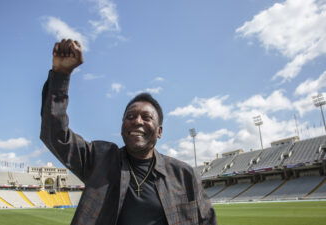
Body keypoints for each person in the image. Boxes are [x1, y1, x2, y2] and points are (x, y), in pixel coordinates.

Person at [40, 39, 217, 225]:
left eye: (146, 117)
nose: (137, 122)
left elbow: (207, 221)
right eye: (130, 116)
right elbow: (55, 135)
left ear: (159, 131)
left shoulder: (184, 174)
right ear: (122, 126)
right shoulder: (100, 160)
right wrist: (61, 75)